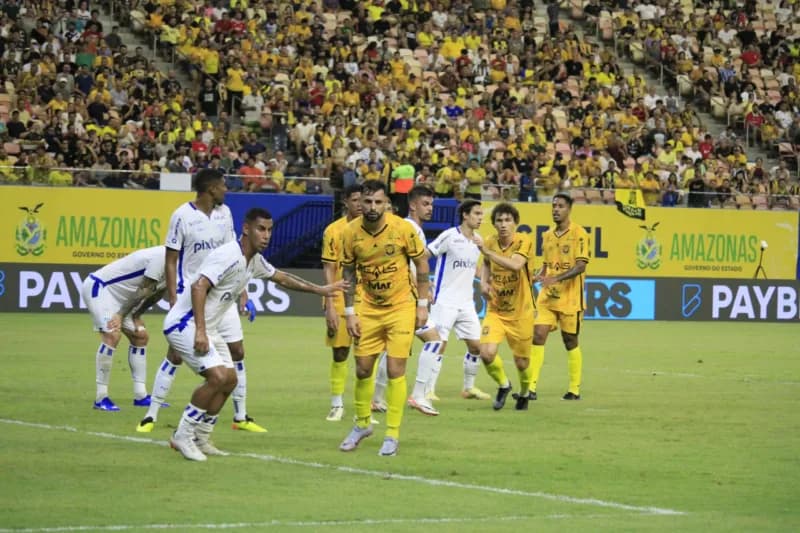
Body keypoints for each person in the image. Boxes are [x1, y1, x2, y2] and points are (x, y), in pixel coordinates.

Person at [166, 208, 345, 461]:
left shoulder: (254, 260)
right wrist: (201, 332)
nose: (267, 235)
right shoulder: (228, 254)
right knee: (217, 377)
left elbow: (282, 277)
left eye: (270, 230)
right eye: (261, 229)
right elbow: (199, 286)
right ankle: (182, 435)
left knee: (230, 380)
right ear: (246, 229)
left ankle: (201, 436)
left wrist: (320, 290)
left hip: (207, 326)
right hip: (185, 324)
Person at [137, 169, 263, 433]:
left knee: (238, 351)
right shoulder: (182, 215)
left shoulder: (225, 213)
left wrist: (243, 293)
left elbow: (237, 255)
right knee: (176, 355)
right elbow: (171, 259)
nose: (226, 190)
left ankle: (240, 416)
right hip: (192, 294)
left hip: (221, 296)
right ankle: (151, 414)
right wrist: (173, 296)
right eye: (223, 186)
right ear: (211, 189)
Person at [338, 180, 429, 456]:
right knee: (363, 368)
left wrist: (422, 305)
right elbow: (349, 274)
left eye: (378, 202)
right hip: (368, 306)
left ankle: (392, 433)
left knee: (395, 369)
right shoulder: (350, 233)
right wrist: (350, 312)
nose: (373, 207)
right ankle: (363, 424)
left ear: (387, 203)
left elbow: (422, 263)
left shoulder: (402, 229)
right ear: (360, 202)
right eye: (367, 202)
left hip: (401, 306)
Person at [408, 199, 493, 416]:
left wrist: (486, 281)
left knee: (476, 347)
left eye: (481, 214)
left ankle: (468, 387)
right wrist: (424, 282)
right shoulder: (449, 236)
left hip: (466, 303)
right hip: (444, 300)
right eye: (476, 214)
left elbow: (474, 268)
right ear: (465, 215)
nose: (480, 218)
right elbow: (424, 256)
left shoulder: (479, 241)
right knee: (439, 344)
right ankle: (428, 391)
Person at [81, 246, 167, 411]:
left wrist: (137, 315)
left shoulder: (180, 265)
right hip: (101, 289)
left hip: (122, 302)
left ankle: (141, 396)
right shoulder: (161, 257)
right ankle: (101, 398)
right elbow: (144, 289)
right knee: (112, 335)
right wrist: (120, 315)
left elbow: (158, 293)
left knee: (141, 337)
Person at [473, 202, 537, 411]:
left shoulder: (523, 241)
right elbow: (487, 266)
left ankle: (525, 393)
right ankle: (504, 385)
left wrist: (486, 252)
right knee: (486, 353)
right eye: (499, 220)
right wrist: (483, 283)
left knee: (522, 363)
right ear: (494, 224)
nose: (503, 224)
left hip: (521, 313)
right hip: (496, 310)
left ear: (515, 223)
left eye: (508, 220)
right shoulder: (491, 242)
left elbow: (516, 265)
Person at [529, 193, 590, 405]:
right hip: (548, 296)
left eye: (560, 206)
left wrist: (555, 277)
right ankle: (531, 387)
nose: (555, 209)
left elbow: (581, 266)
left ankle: (574, 389)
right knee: (538, 335)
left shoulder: (580, 234)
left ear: (569, 209)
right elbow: (547, 264)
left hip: (570, 297)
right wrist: (540, 274)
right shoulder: (546, 236)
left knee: (570, 340)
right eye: (553, 206)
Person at [320, 183, 363, 421]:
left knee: (366, 355)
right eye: (355, 200)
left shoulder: (371, 228)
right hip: (339, 297)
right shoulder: (333, 231)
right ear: (346, 202)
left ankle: (362, 407)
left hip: (365, 301)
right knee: (340, 353)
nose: (359, 204)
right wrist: (329, 305)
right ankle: (337, 404)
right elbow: (329, 268)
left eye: (362, 200)